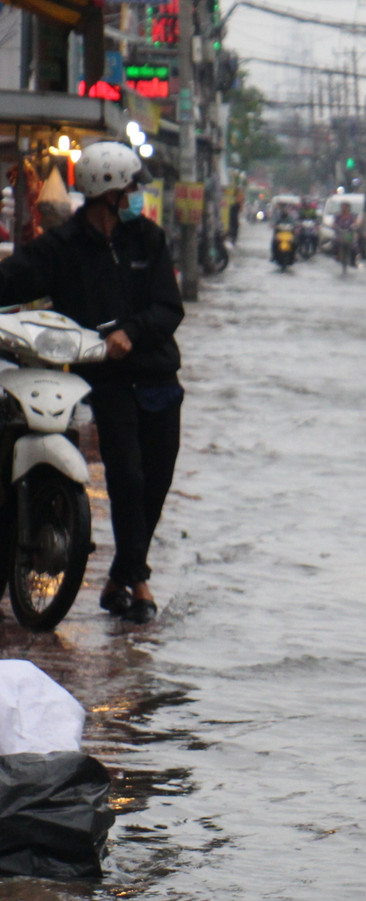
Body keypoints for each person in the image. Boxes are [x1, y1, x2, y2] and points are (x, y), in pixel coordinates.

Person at [0, 141, 181, 623]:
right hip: (108, 381)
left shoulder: (150, 241)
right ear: (109, 194)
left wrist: (132, 332)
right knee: (127, 478)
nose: (136, 197)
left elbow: (169, 308)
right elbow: (13, 279)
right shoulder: (62, 247)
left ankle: (121, 576)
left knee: (156, 484)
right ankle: (138, 581)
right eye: (130, 190)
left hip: (159, 379)